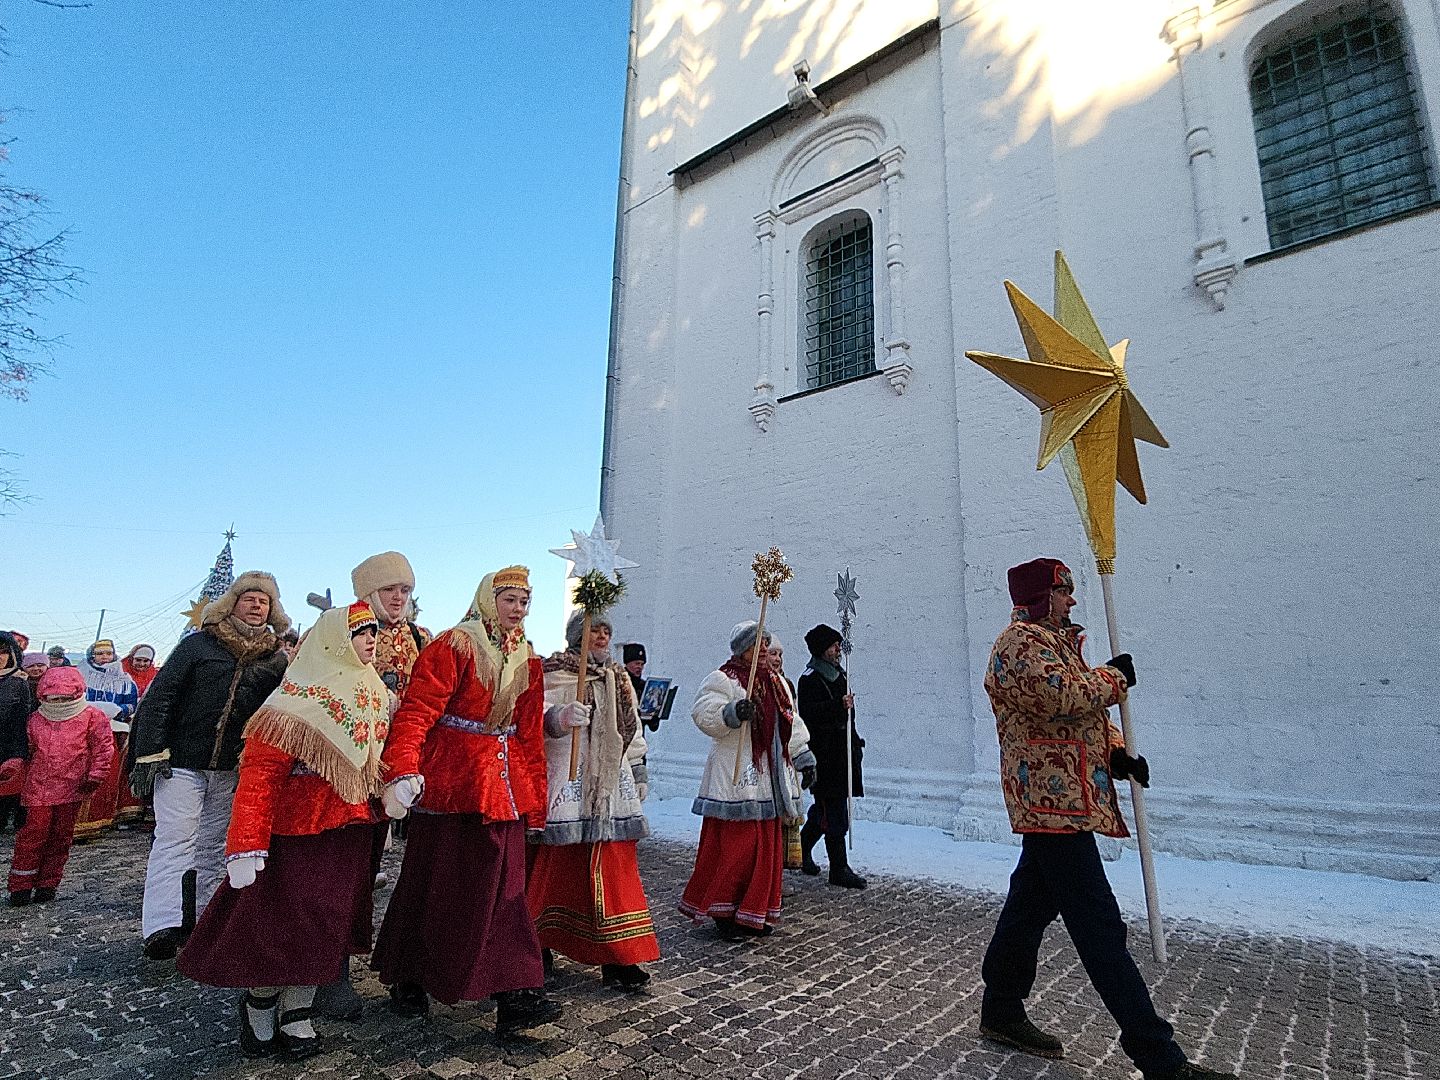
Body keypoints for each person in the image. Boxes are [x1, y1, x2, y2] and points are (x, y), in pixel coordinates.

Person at [978, 558, 1235, 1080]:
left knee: (1029, 907)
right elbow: (1060, 698)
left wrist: (1116, 752)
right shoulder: (1018, 645)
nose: (1071, 600)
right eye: (1063, 591)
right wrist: (1113, 677)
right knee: (1099, 928)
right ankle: (1158, 1056)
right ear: (1038, 596)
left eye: (1071, 590)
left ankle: (1001, 1006)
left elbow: (1085, 718)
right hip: (1051, 807)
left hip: (1068, 800)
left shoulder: (1057, 644)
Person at [177, 603, 391, 1059]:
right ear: (332, 640)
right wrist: (245, 844)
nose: (372, 639)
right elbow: (259, 777)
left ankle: (299, 1012)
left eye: (374, 631)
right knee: (281, 926)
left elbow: (376, 764)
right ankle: (260, 1002)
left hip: (348, 832)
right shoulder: (290, 701)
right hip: (295, 834)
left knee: (324, 926)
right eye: (361, 632)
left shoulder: (374, 696)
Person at [372, 566, 562, 1037]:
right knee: (433, 885)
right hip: (453, 787)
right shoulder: (453, 647)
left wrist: (534, 799)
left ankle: (517, 993)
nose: (518, 610)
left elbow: (528, 733)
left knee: (506, 890)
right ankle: (411, 974)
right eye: (509, 600)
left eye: (524, 602)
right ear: (487, 599)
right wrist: (402, 769)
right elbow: (418, 712)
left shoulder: (527, 660)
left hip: (503, 790)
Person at [129, 571, 290, 960]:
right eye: (249, 598)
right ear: (232, 603)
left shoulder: (275, 660)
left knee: (215, 844)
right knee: (174, 838)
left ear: (272, 611)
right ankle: (163, 925)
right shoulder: (198, 646)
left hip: (233, 769)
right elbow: (161, 696)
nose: (256, 605)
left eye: (263, 601)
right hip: (181, 761)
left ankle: (203, 921)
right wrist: (151, 751)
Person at [312, 550, 432, 1021]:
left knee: (367, 868)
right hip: (344, 767)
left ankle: (345, 954)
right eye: (390, 590)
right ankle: (326, 968)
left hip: (395, 769)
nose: (399, 599)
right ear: (367, 593)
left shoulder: (421, 638)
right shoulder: (340, 631)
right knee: (336, 867)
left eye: (405, 590)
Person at [529, 611, 658, 991]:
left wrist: (638, 770)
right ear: (576, 637)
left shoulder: (619, 679)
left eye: (605, 631)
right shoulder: (554, 672)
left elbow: (629, 727)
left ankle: (619, 955)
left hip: (611, 785)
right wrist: (558, 716)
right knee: (557, 866)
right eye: (592, 631)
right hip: (570, 781)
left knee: (615, 866)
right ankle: (537, 941)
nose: (600, 637)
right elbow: (532, 717)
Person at [678, 621, 814, 939]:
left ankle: (754, 911)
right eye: (758, 644)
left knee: (765, 848)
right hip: (736, 772)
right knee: (737, 847)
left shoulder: (777, 682)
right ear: (744, 649)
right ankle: (724, 911)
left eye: (766, 644)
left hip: (768, 773)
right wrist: (732, 712)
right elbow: (703, 712)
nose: (764, 649)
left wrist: (803, 756)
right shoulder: (724, 678)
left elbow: (789, 721)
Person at [3, 666, 113, 904]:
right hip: (37, 788)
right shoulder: (36, 719)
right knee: (32, 836)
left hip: (73, 787)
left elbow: (103, 748)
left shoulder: (92, 717)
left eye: (64, 698)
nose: (59, 703)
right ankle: (21, 885)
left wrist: (96, 774)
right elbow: (27, 750)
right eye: (54, 698)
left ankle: (47, 883)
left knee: (61, 837)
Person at [796, 624, 866, 889]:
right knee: (833, 811)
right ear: (821, 650)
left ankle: (803, 845)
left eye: (838, 645)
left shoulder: (840, 674)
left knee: (828, 808)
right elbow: (809, 715)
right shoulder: (810, 679)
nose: (838, 650)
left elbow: (848, 717)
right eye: (833, 645)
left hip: (843, 753)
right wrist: (838, 705)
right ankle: (839, 868)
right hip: (825, 756)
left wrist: (854, 739)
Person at [73, 640, 140, 842]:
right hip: (83, 729)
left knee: (108, 775)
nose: (104, 657)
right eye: (100, 653)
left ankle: (100, 819)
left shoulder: (124, 679)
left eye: (108, 654)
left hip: (114, 729)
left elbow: (131, 703)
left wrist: (118, 710)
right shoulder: (80, 673)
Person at [0, 635, 32, 833]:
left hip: (5, 747)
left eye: (3, 651)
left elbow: (22, 720)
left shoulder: (18, 684)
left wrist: (18, 754)